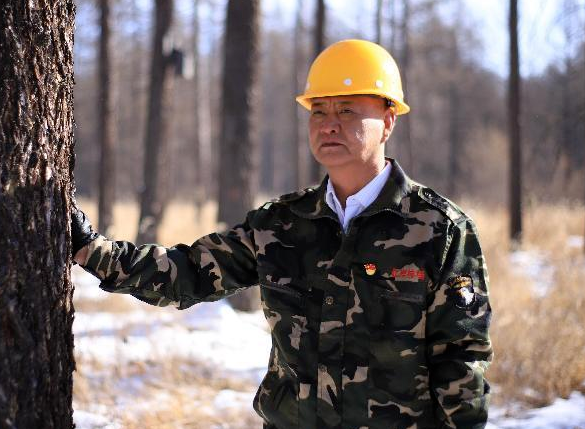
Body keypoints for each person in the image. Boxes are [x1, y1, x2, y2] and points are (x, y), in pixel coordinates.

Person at [71, 39, 492, 429]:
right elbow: (188, 272)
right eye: (319, 111)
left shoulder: (440, 230)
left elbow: (460, 360)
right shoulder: (280, 225)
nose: (329, 125)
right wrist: (92, 250)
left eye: (346, 110)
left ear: (387, 121)